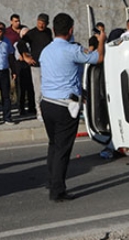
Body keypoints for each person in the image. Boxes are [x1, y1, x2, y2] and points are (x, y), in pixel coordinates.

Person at [39, 13, 105, 202]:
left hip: (47, 103)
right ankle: (57, 191)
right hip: (64, 106)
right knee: (62, 149)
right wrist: (102, 40)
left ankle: (51, 181)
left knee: (53, 145)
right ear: (71, 30)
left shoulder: (46, 51)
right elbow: (98, 58)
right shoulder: (72, 50)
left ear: (53, 30)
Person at [17, 13, 53, 120]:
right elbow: (20, 44)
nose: (41, 25)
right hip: (36, 65)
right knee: (38, 90)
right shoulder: (31, 33)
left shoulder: (48, 32)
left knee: (49, 89)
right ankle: (39, 111)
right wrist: (25, 56)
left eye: (43, 23)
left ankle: (48, 110)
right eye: (39, 23)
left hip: (48, 65)